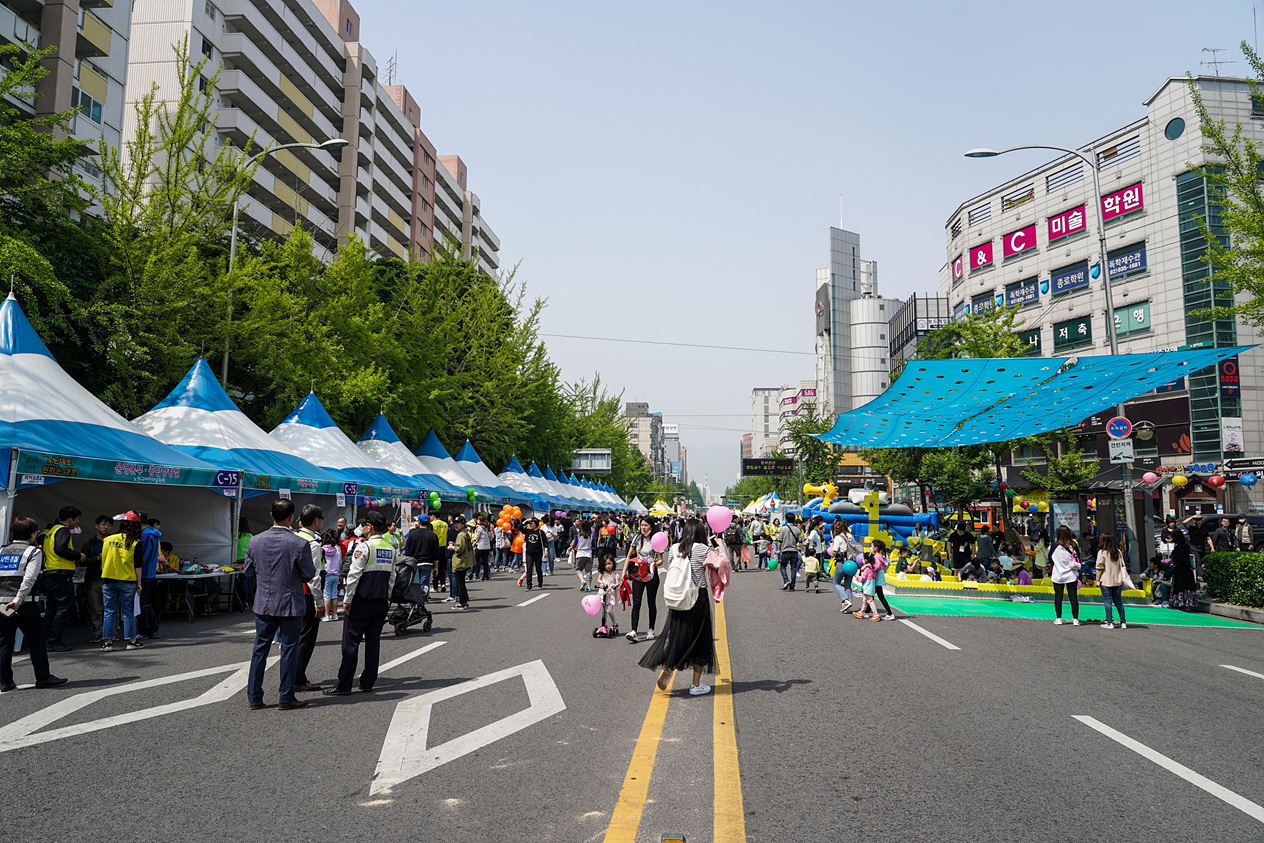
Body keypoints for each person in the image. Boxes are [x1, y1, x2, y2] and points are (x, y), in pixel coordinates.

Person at [244, 499, 316, 710]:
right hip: (290, 603)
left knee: (260, 650)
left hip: (264, 603)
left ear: (271, 514)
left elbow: (248, 571)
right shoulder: (298, 543)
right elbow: (309, 573)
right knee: (289, 650)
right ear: (291, 517)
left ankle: (254, 697)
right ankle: (285, 696)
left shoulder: (255, 541)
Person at [639, 518, 716, 696]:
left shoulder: (674, 548)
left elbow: (672, 567)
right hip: (697, 597)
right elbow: (720, 565)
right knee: (700, 639)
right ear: (700, 532)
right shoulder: (704, 549)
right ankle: (696, 685)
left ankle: (669, 666)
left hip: (678, 598)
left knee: (678, 634)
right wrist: (719, 545)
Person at [324, 510, 397, 696]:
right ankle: (368, 682)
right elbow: (392, 579)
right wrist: (386, 598)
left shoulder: (364, 547)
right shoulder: (390, 548)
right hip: (380, 601)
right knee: (373, 642)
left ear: (369, 527)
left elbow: (354, 576)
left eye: (364, 525)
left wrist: (347, 600)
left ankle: (343, 685)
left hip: (361, 601)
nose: (362, 528)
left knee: (351, 643)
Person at [1, 516, 68, 691]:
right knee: (36, 640)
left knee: (4, 642)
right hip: (24, 605)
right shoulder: (33, 552)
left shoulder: (1, 550)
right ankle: (43, 677)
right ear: (32, 534)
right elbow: (29, 579)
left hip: (2, 605)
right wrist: (17, 601)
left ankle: (5, 681)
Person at [40, 505, 85, 652]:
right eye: (77, 519)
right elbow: (60, 549)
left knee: (51, 609)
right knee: (64, 608)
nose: (77, 522)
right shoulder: (63, 530)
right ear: (69, 520)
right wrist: (78, 555)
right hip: (60, 574)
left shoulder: (49, 531)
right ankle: (54, 640)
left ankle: (46, 638)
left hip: (49, 573)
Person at [99, 511, 145, 651]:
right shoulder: (135, 542)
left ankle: (107, 643)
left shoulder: (108, 540)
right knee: (128, 612)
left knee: (109, 611)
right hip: (127, 581)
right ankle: (131, 641)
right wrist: (139, 583)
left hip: (108, 579)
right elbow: (138, 565)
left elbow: (103, 558)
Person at [293, 504, 326, 693]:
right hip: (306, 595)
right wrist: (319, 603)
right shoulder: (313, 543)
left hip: (293, 593)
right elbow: (314, 576)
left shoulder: (295, 537)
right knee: (306, 638)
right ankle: (298, 677)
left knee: (294, 637)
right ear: (316, 521)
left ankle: (292, 675)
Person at [623, 517, 662, 642]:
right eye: (642, 525)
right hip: (638, 574)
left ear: (651, 526)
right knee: (637, 603)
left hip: (651, 574)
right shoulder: (637, 538)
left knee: (651, 602)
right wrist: (624, 573)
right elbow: (629, 556)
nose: (643, 528)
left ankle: (651, 629)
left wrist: (654, 563)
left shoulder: (656, 540)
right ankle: (633, 631)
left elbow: (661, 560)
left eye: (646, 525)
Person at [81, 515, 113, 643]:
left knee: (112, 607)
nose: (106, 527)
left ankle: (112, 632)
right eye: (103, 524)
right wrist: (97, 559)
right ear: (96, 526)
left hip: (110, 578)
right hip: (94, 578)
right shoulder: (89, 543)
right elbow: (83, 562)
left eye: (109, 525)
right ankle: (98, 631)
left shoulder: (113, 541)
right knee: (96, 608)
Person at [134, 516, 162, 641]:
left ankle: (144, 630)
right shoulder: (153, 534)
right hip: (150, 572)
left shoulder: (145, 536)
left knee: (142, 604)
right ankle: (153, 630)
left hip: (144, 573)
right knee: (146, 602)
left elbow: (142, 557)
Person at [1050, 525, 1082, 626]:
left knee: (1058, 596)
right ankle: (1075, 619)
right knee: (1073, 597)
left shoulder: (1054, 546)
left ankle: (1059, 618)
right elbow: (1078, 559)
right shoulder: (1073, 546)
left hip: (1058, 574)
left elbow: (1050, 559)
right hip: (1071, 575)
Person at [1095, 533, 1128, 629]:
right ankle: (1123, 622)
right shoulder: (1117, 552)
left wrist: (1097, 580)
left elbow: (1099, 568)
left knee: (1108, 602)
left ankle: (1109, 622)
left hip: (1106, 580)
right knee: (1119, 602)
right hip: (1118, 580)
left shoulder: (1102, 553)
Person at [831, 522, 863, 613]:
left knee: (836, 583)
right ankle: (847, 605)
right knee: (848, 585)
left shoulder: (838, 537)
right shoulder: (850, 536)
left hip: (842, 562)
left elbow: (835, 552)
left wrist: (832, 546)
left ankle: (845, 600)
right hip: (852, 563)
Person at [405, 517, 439, 593]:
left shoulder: (412, 534)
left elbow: (407, 550)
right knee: (423, 585)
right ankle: (421, 602)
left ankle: (413, 602)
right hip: (427, 563)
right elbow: (436, 552)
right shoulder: (433, 535)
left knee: (413, 584)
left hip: (414, 563)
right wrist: (436, 567)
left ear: (419, 523)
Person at [1168, 531, 1199, 610]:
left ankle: (1180, 604)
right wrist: (1190, 565)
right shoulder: (1185, 546)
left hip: (1179, 570)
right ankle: (1187, 605)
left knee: (1180, 587)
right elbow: (1186, 558)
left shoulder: (1178, 548)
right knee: (1187, 587)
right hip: (1186, 570)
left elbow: (1182, 559)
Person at [449, 514, 473, 609]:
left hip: (461, 561)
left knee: (460, 583)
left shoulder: (461, 535)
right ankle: (464, 601)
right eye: (455, 523)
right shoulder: (465, 533)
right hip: (465, 561)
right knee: (461, 582)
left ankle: (462, 603)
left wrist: (452, 547)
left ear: (463, 524)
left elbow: (460, 549)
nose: (456, 525)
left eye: (458, 523)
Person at [320, 529, 343, 620]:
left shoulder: (322, 550)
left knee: (326, 595)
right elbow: (339, 562)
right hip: (336, 575)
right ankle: (334, 614)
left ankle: (326, 615)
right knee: (334, 595)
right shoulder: (336, 550)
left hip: (326, 575)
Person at [870, 539, 895, 620]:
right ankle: (866, 611)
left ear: (876, 548)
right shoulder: (880, 555)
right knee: (872, 595)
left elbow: (876, 566)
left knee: (875, 595)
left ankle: (889, 613)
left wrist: (869, 567)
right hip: (878, 577)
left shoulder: (877, 556)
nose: (871, 547)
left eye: (872, 546)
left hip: (876, 577)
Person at [852, 551, 881, 620]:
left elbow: (862, 579)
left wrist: (856, 576)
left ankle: (876, 615)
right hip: (871, 586)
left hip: (867, 587)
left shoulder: (866, 569)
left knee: (870, 601)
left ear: (865, 560)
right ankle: (861, 613)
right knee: (865, 600)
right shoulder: (873, 568)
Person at [595, 555, 620, 634]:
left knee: (609, 610)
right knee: (603, 611)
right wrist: (601, 583)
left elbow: (617, 583)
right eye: (605, 564)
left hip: (610, 593)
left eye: (609, 563)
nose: (608, 566)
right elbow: (598, 579)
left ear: (613, 563)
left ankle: (614, 624)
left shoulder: (615, 573)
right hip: (603, 592)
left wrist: (612, 586)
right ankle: (603, 625)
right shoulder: (603, 572)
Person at [778, 515, 803, 591]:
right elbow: (800, 542)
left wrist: (778, 550)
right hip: (794, 551)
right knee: (793, 568)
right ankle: (792, 585)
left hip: (785, 551)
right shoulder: (797, 530)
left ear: (786, 520)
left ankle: (786, 580)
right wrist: (802, 551)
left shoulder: (783, 529)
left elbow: (780, 541)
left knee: (782, 566)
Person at [521, 517, 545, 590]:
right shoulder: (528, 531)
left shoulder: (540, 532)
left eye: (532, 523)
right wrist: (525, 521)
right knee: (529, 569)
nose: (530, 525)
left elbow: (545, 542)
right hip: (529, 553)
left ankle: (540, 583)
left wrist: (546, 550)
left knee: (538, 569)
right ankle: (529, 585)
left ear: (536, 524)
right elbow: (520, 528)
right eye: (530, 524)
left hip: (538, 553)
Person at [572, 519, 595, 591]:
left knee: (578, 569)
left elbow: (574, 545)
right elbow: (593, 546)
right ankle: (588, 587)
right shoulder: (591, 536)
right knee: (588, 571)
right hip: (588, 554)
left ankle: (582, 581)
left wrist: (571, 548)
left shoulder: (578, 535)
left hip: (580, 554)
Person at [430, 512, 449, 594]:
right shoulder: (445, 524)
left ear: (433, 516)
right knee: (442, 567)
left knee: (435, 567)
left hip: (434, 547)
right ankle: (443, 584)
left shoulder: (432, 524)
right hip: (443, 546)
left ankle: (435, 587)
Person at [473, 513, 493, 581]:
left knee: (476, 561)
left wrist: (475, 532)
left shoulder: (479, 528)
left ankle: (477, 575)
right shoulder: (488, 527)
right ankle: (486, 575)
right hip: (487, 547)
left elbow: (476, 537)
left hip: (480, 547)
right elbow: (491, 536)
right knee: (485, 562)